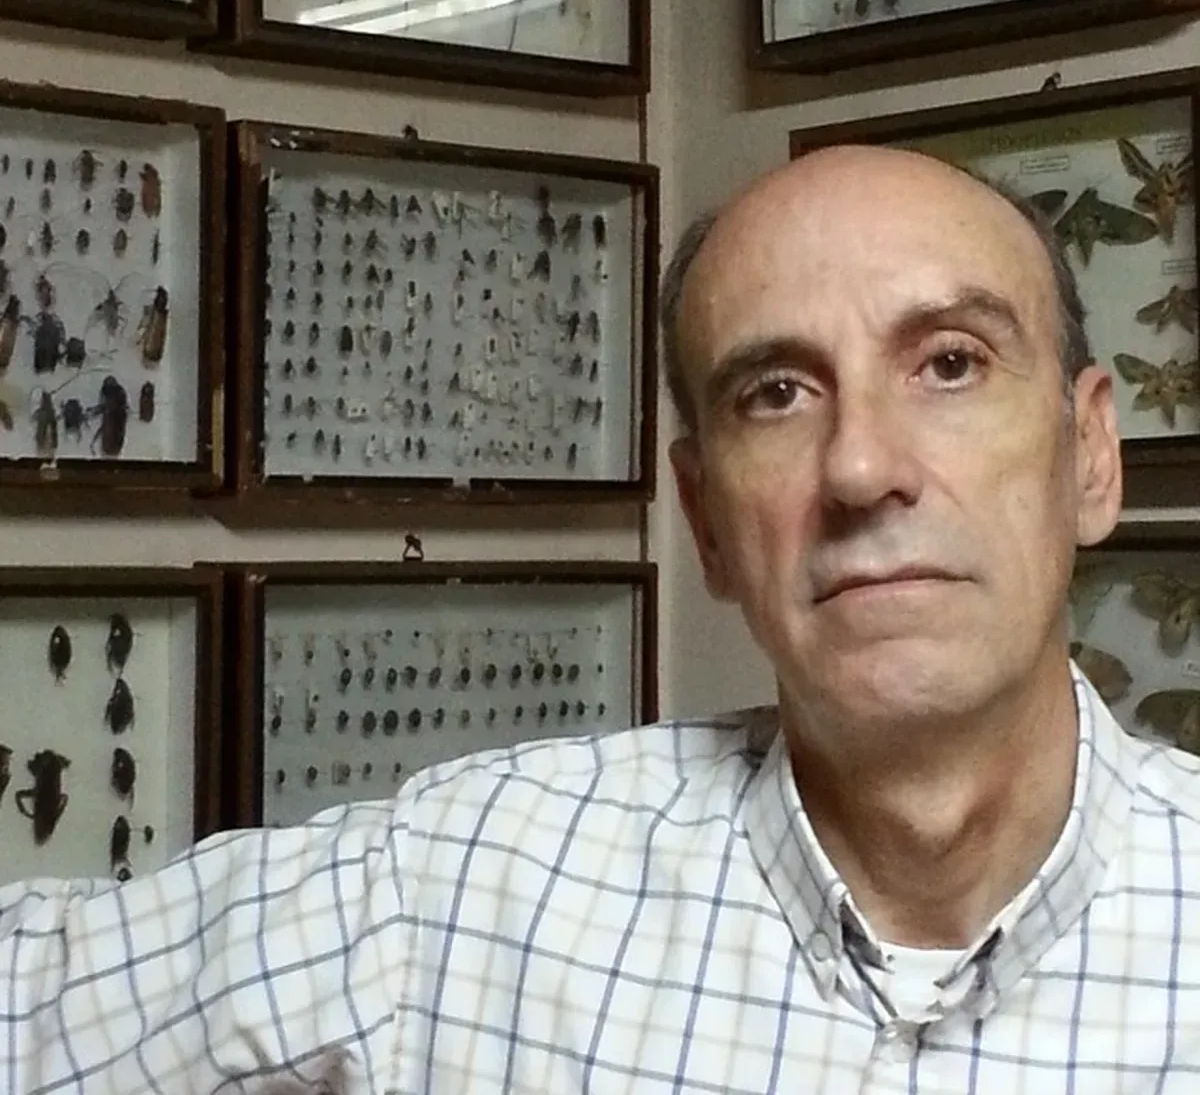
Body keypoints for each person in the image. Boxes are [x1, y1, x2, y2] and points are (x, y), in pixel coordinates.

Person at [2, 144, 1197, 1094]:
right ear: (705, 519)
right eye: (777, 393)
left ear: (1092, 455)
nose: (861, 467)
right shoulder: (467, 888)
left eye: (950, 364)